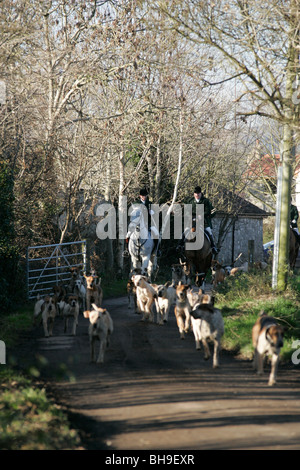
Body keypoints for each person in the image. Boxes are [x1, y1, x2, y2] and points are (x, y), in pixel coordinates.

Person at [178, 186, 218, 255]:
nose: (197, 195)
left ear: (201, 193)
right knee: (185, 231)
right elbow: (186, 212)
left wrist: (201, 216)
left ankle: (213, 247)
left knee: (209, 231)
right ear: (194, 194)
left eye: (198, 193)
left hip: (203, 222)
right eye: (196, 194)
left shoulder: (205, 201)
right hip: (192, 222)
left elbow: (208, 211)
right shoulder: (190, 201)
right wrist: (190, 216)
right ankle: (179, 245)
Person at [126, 188, 160, 254]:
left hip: (148, 224)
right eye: (142, 196)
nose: (144, 197)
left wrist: (152, 212)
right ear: (140, 196)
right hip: (136, 224)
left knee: (156, 233)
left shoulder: (150, 203)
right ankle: (127, 250)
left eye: (145, 196)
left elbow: (156, 213)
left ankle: (157, 250)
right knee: (128, 234)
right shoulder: (136, 203)